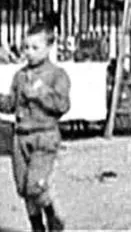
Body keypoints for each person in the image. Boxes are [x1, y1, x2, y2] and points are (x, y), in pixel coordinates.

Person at [0, 22, 70, 232]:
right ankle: (37, 228)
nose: (29, 53)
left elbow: (63, 105)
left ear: (49, 47)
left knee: (35, 185)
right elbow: (11, 104)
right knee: (23, 188)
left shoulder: (57, 75)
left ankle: (53, 217)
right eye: (26, 47)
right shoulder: (20, 76)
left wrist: (40, 95)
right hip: (20, 138)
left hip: (44, 137)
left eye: (35, 47)